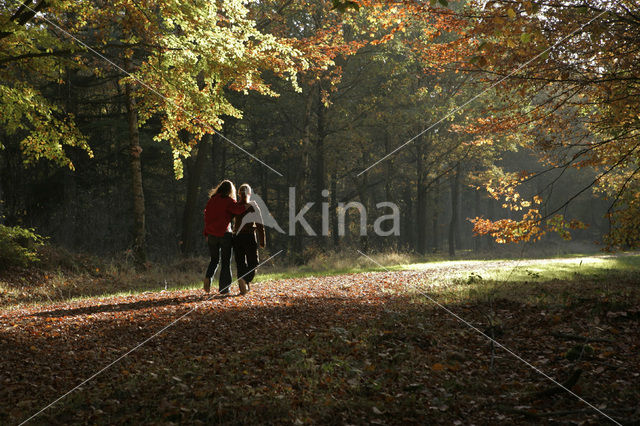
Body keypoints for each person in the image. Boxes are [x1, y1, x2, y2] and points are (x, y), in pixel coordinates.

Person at [203, 180, 251, 294]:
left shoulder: (211, 201)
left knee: (214, 260)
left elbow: (206, 218)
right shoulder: (228, 201)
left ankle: (208, 278)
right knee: (225, 262)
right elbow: (238, 210)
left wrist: (206, 234)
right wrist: (246, 204)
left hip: (211, 235)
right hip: (224, 234)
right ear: (230, 190)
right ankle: (224, 288)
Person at [232, 184, 266, 294]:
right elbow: (260, 224)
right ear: (249, 193)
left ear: (239, 194)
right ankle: (245, 280)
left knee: (240, 262)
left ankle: (243, 285)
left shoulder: (236, 206)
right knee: (253, 263)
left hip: (237, 237)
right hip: (249, 236)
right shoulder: (253, 206)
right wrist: (262, 241)